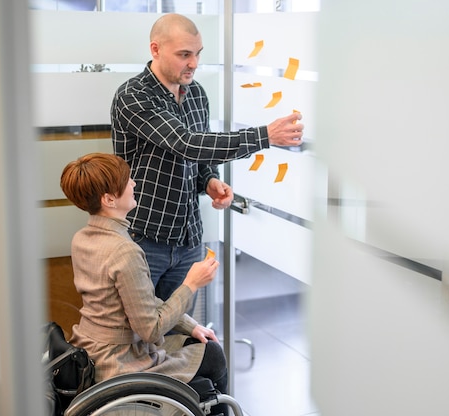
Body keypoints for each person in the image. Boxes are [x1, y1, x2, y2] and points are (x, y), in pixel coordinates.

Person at [110, 13, 304, 306]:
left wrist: (210, 180)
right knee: (140, 335)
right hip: (143, 238)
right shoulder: (133, 96)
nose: (194, 63)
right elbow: (185, 144)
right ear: (156, 49)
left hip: (188, 238)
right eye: (184, 55)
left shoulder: (196, 93)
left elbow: (200, 156)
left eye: (198, 54)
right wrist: (265, 136)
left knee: (178, 330)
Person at [61, 152, 230, 415]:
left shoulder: (82, 238)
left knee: (197, 342)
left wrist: (190, 325)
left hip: (90, 348)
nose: (134, 184)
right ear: (109, 199)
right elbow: (151, 329)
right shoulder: (124, 251)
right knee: (213, 355)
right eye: (128, 181)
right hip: (120, 362)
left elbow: (140, 300)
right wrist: (192, 284)